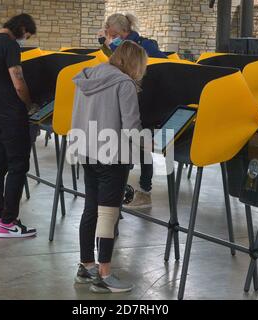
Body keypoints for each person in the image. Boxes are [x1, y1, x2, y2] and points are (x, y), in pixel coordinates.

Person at [70, 41, 148, 293]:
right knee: (108, 214)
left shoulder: (88, 76)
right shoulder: (124, 84)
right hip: (113, 155)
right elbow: (131, 126)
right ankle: (104, 274)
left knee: (90, 209)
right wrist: (150, 145)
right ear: (135, 63)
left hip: (86, 151)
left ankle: (87, 266)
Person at [98, 13, 167, 209]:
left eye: (114, 34)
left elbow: (163, 70)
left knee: (142, 145)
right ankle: (120, 187)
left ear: (125, 32)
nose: (111, 38)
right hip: (126, 100)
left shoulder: (147, 46)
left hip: (146, 103)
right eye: (109, 34)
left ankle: (145, 190)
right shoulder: (114, 46)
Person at [0, 13, 39, 238]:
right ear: (22, 27)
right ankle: (8, 222)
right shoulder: (10, 45)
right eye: (27, 35)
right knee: (17, 166)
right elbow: (18, 80)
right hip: (12, 114)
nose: (25, 39)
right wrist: (29, 103)